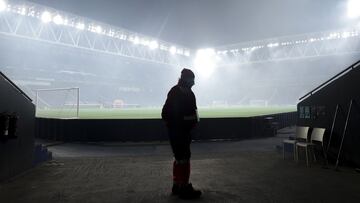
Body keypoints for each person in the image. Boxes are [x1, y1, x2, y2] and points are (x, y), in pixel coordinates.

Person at [162, 68, 202, 199]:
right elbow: (166, 113)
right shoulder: (178, 93)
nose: (193, 83)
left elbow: (194, 113)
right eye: (192, 80)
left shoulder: (187, 93)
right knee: (183, 159)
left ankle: (177, 185)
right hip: (178, 132)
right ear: (186, 79)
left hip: (182, 132)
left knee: (179, 159)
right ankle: (184, 188)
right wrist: (181, 123)